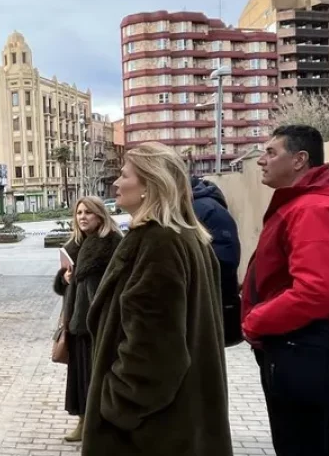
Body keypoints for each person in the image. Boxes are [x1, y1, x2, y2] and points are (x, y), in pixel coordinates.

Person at [81, 142, 232, 456]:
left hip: (153, 431)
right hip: (182, 419)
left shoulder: (158, 242)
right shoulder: (186, 236)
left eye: (124, 175)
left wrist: (117, 402)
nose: (116, 183)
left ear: (150, 185)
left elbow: (156, 348)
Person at [243, 125, 329, 456]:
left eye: (271, 152)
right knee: (318, 438)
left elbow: (316, 290)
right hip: (298, 342)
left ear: (300, 160)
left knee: (301, 443)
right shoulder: (305, 203)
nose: (262, 160)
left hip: (298, 343)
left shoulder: (312, 208)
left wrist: (256, 320)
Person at [51, 196, 121, 442]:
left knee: (98, 376)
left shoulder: (112, 243)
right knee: (81, 377)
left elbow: (116, 284)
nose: (82, 217)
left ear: (100, 215)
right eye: (79, 212)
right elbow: (63, 287)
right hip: (77, 322)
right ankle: (84, 421)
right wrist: (64, 279)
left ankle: (100, 425)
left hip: (99, 322)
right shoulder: (75, 245)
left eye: (88, 212)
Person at [190, 175, 243, 345]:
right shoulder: (195, 206)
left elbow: (225, 260)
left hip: (212, 308)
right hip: (203, 307)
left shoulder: (204, 208)